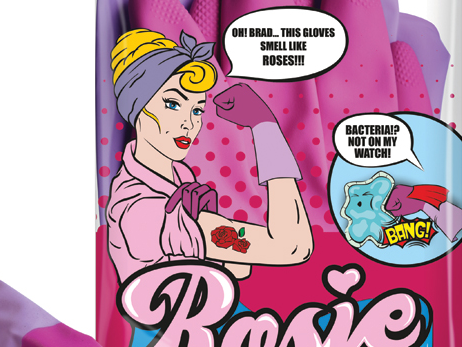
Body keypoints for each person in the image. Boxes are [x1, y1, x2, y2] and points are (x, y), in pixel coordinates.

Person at [107, 29, 313, 283]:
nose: (188, 123)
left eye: (197, 110)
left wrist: (212, 229)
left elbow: (237, 270)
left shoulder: (179, 174)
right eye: (172, 104)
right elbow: (291, 248)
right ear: (137, 107)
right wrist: (265, 127)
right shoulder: (141, 208)